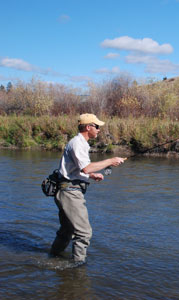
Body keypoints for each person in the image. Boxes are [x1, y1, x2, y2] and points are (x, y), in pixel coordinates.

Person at [50, 113, 125, 264]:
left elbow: (78, 170)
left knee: (67, 231)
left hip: (68, 190)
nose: (99, 130)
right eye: (97, 127)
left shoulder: (82, 143)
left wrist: (91, 175)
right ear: (88, 127)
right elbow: (86, 168)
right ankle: (78, 267)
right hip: (70, 192)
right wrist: (110, 160)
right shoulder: (77, 143)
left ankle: (53, 257)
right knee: (84, 233)